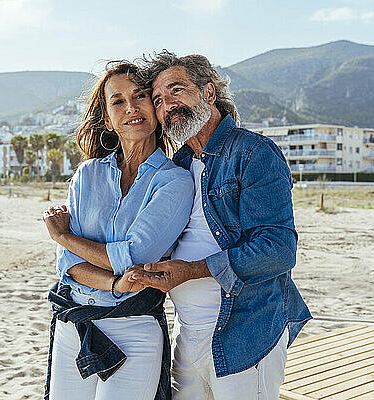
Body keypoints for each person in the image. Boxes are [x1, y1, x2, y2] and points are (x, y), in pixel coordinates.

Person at [129, 51, 312, 399]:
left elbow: (278, 250)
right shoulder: (178, 165)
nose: (168, 105)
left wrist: (194, 270)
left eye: (177, 90)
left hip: (242, 335)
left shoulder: (253, 152)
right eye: (158, 100)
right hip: (186, 333)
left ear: (209, 93)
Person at [42, 62, 193, 400]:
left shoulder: (174, 181)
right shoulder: (87, 175)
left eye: (140, 96)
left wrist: (65, 236)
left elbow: (135, 257)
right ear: (107, 118)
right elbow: (67, 265)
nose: (131, 108)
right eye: (118, 101)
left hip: (133, 328)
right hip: (74, 324)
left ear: (155, 108)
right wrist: (113, 282)